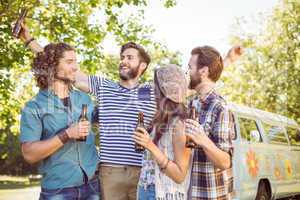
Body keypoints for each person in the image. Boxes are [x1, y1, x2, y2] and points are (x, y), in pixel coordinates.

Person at [20, 42, 100, 200]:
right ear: (52, 66)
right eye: (69, 62)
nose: (76, 67)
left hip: (93, 186)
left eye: (76, 61)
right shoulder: (34, 106)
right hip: (58, 192)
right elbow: (29, 154)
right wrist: (67, 134)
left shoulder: (85, 99)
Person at [133, 64, 193, 200]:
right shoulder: (159, 118)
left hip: (164, 194)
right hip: (146, 190)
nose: (152, 90)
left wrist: (150, 145)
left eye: (155, 86)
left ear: (164, 91)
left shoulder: (179, 124)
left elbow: (180, 175)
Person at [185, 46, 236, 199]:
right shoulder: (190, 104)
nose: (187, 72)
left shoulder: (220, 108)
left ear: (203, 71)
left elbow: (225, 162)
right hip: (188, 193)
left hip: (211, 195)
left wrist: (203, 140)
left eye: (189, 67)